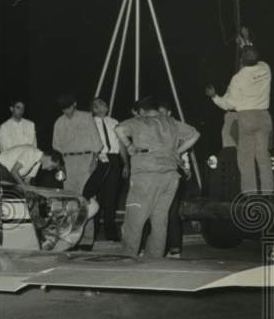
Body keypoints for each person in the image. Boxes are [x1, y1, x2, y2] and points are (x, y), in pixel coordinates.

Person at [114, 95, 200, 258]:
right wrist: (177, 152)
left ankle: (127, 257)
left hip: (146, 174)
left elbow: (118, 129)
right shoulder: (171, 122)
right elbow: (195, 134)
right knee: (160, 220)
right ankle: (154, 259)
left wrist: (129, 145)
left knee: (135, 219)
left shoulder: (140, 121)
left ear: (141, 111)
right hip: (170, 177)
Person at [205, 46, 273, 193]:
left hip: (247, 117)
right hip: (264, 116)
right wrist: (246, 42)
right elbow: (253, 57)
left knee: (246, 158)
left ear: (242, 60)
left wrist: (214, 96)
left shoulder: (238, 78)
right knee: (263, 157)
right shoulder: (265, 68)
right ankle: (268, 193)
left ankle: (250, 193)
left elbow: (228, 104)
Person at [52, 93, 101, 247]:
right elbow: (56, 146)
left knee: (86, 200)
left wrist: (94, 160)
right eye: (63, 109)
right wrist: (61, 165)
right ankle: (72, 239)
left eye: (68, 108)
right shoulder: (59, 122)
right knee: (70, 203)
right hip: (68, 161)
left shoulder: (87, 117)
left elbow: (97, 143)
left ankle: (87, 240)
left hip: (85, 160)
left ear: (74, 104)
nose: (66, 112)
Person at [80, 96, 127, 241]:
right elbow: (86, 143)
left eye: (104, 102)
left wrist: (126, 164)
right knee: (93, 196)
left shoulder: (114, 122)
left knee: (111, 197)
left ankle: (111, 234)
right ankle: (92, 233)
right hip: (98, 158)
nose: (104, 104)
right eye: (99, 104)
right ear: (94, 109)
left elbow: (121, 145)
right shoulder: (90, 123)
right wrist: (92, 160)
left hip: (113, 160)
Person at [157, 97, 191, 258]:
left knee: (171, 210)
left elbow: (187, 143)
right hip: (160, 170)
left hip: (175, 169)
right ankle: (164, 247)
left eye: (163, 113)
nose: (160, 116)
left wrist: (186, 164)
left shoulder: (176, 126)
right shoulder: (158, 127)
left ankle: (175, 248)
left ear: (169, 113)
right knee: (160, 210)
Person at [0, 144, 64, 186]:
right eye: (52, 166)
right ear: (49, 157)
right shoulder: (31, 152)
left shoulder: (37, 162)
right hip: (1, 168)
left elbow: (27, 181)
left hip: (9, 174)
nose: (50, 169)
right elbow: (14, 171)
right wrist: (24, 187)